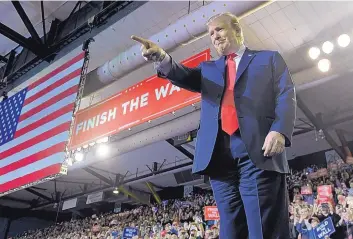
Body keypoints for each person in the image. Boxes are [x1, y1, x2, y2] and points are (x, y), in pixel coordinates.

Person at [132, 12, 296, 239]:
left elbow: (286, 94)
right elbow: (183, 75)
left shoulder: (268, 58)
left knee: (263, 226)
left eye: (219, 29)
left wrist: (279, 129)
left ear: (237, 29)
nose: (215, 37)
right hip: (218, 157)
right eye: (211, 34)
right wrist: (161, 57)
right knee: (230, 228)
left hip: (258, 150)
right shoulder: (208, 69)